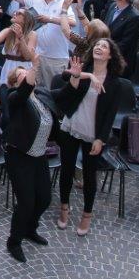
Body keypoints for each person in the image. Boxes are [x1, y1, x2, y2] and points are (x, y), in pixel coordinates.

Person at [52, 38, 124, 237]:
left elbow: (110, 114)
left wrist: (101, 139)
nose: (99, 48)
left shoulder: (115, 82)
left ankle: (86, 215)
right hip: (72, 126)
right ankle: (64, 209)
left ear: (110, 55)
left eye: (104, 46)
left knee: (89, 175)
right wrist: (78, 77)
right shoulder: (82, 71)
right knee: (66, 169)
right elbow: (66, 94)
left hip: (93, 132)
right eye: (97, 45)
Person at [2, 59, 56, 264]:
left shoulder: (41, 97)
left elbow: (63, 96)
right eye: (21, 74)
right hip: (19, 155)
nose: (26, 75)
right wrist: (34, 66)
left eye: (28, 72)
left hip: (39, 154)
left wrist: (79, 76)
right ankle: (14, 241)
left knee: (44, 198)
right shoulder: (14, 96)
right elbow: (24, 91)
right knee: (26, 202)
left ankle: (29, 229)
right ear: (15, 82)